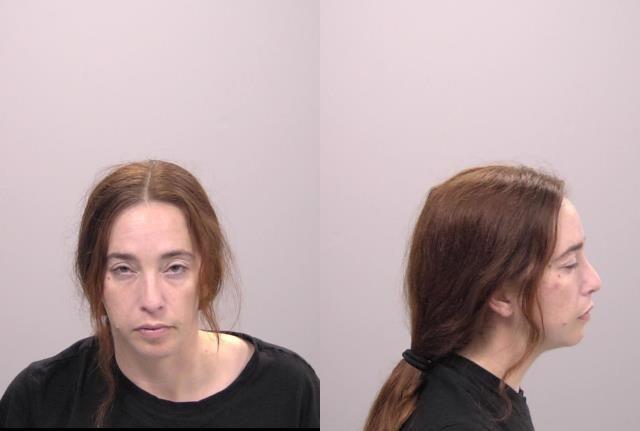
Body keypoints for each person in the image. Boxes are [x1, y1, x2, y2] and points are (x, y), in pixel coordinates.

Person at [0, 160, 320, 428]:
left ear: (206, 274)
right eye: (124, 269)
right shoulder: (40, 399)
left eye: (175, 268)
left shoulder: (288, 388)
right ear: (95, 280)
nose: (151, 300)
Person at [364, 165, 601, 431]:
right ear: (501, 294)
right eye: (569, 264)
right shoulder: (461, 423)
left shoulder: (476, 398)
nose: (594, 281)